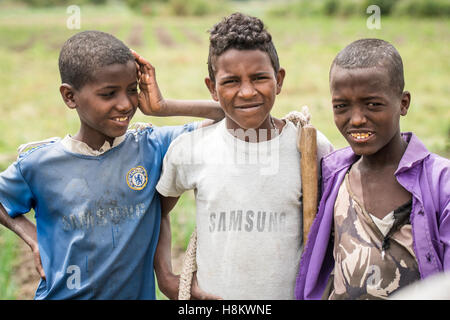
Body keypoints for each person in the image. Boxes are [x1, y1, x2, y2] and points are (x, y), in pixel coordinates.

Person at [0, 30, 224, 299]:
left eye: (132, 90)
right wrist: (33, 238)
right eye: (108, 94)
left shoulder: (152, 146)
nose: (125, 104)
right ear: (70, 97)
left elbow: (227, 116)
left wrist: (163, 107)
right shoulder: (39, 164)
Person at [154, 12, 334, 300]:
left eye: (260, 78)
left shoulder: (309, 146)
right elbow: (157, 211)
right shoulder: (191, 149)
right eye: (231, 82)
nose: (247, 92)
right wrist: (166, 278)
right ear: (212, 88)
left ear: (279, 80)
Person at [294, 38, 450, 300]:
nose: (356, 119)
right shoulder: (332, 177)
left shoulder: (440, 183)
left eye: (373, 104)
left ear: (403, 103)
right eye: (341, 106)